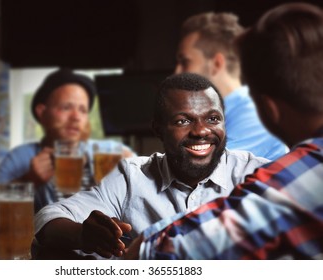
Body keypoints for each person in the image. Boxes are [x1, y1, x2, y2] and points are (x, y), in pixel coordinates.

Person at [127, 2, 323, 260]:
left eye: (184, 62)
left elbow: (159, 251)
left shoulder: (297, 176)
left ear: (268, 108)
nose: (175, 74)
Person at [33, 72, 270, 259]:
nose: (201, 131)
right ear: (158, 130)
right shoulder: (131, 177)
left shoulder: (258, 174)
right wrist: (82, 236)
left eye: (213, 118)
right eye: (183, 120)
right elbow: (48, 217)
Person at [0, 68, 135, 213]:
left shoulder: (108, 152)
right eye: (66, 107)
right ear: (42, 112)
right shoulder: (19, 157)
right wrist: (28, 180)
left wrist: (129, 171)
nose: (76, 117)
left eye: (83, 110)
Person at [175, 11, 288, 160]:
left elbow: (200, 174)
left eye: (185, 62)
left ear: (216, 64)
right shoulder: (220, 114)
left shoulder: (254, 116)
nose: (177, 72)